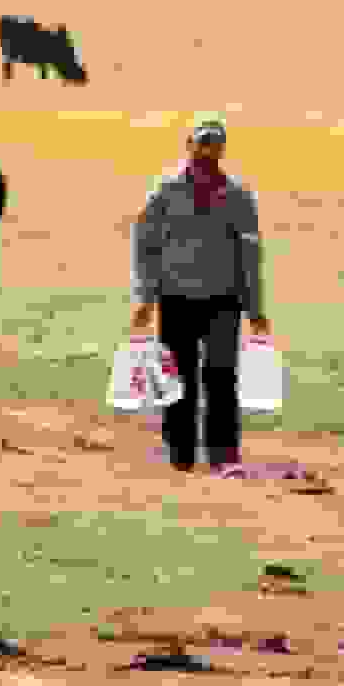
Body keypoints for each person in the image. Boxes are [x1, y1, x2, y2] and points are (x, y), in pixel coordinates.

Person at [130, 116, 270, 472]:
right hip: (175, 298)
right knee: (178, 379)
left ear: (222, 149)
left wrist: (254, 306)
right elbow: (144, 243)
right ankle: (180, 453)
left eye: (214, 144)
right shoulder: (166, 190)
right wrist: (145, 296)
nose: (208, 151)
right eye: (202, 143)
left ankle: (224, 456)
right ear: (188, 145)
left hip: (224, 301)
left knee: (222, 377)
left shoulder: (238, 195)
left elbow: (250, 253)